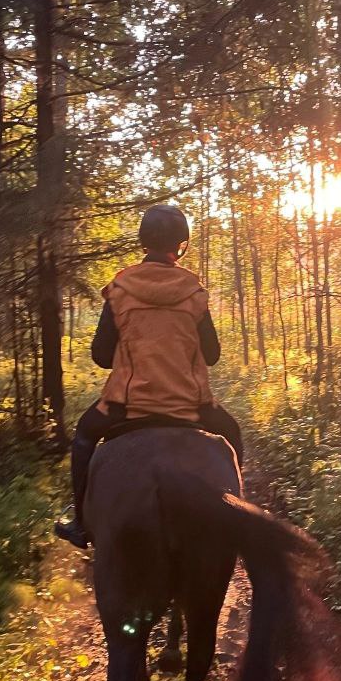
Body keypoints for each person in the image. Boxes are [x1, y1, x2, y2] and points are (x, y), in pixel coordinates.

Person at [55, 204, 244, 549]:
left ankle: (80, 522)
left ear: (144, 241)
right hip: (191, 405)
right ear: (180, 244)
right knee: (232, 434)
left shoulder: (120, 290)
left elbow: (100, 356)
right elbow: (213, 355)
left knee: (83, 437)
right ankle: (240, 517)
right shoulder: (194, 293)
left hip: (126, 406)